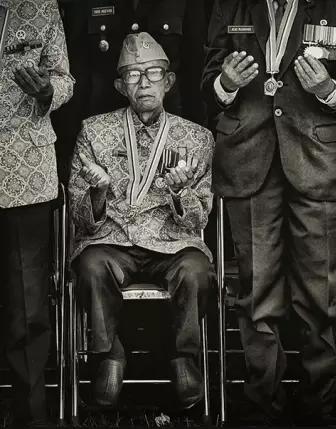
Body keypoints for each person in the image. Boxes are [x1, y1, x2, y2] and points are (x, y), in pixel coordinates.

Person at [202, 0, 336, 424]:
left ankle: (320, 406)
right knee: (257, 293)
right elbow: (205, 80)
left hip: (317, 160)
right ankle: (262, 405)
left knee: (320, 294)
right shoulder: (231, 5)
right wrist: (225, 83)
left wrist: (328, 89)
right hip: (248, 160)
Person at [68, 32, 215, 410]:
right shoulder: (93, 131)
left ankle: (183, 356)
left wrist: (181, 194)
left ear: (169, 81)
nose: (144, 82)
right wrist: (98, 192)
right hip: (112, 240)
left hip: (172, 243)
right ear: (120, 86)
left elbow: (200, 217)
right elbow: (79, 218)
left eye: (154, 73)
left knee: (196, 270)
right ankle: (108, 355)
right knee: (91, 266)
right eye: (133, 75)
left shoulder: (197, 137)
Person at [0, 0, 74, 425]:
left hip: (26, 171)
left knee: (28, 305)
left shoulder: (41, 6)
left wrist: (48, 91)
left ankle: (31, 415)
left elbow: (64, 79)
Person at [51, 0, 208, 183]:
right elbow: (76, 71)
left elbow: (193, 71)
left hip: (168, 127)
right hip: (104, 135)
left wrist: (193, 137)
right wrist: (68, 148)